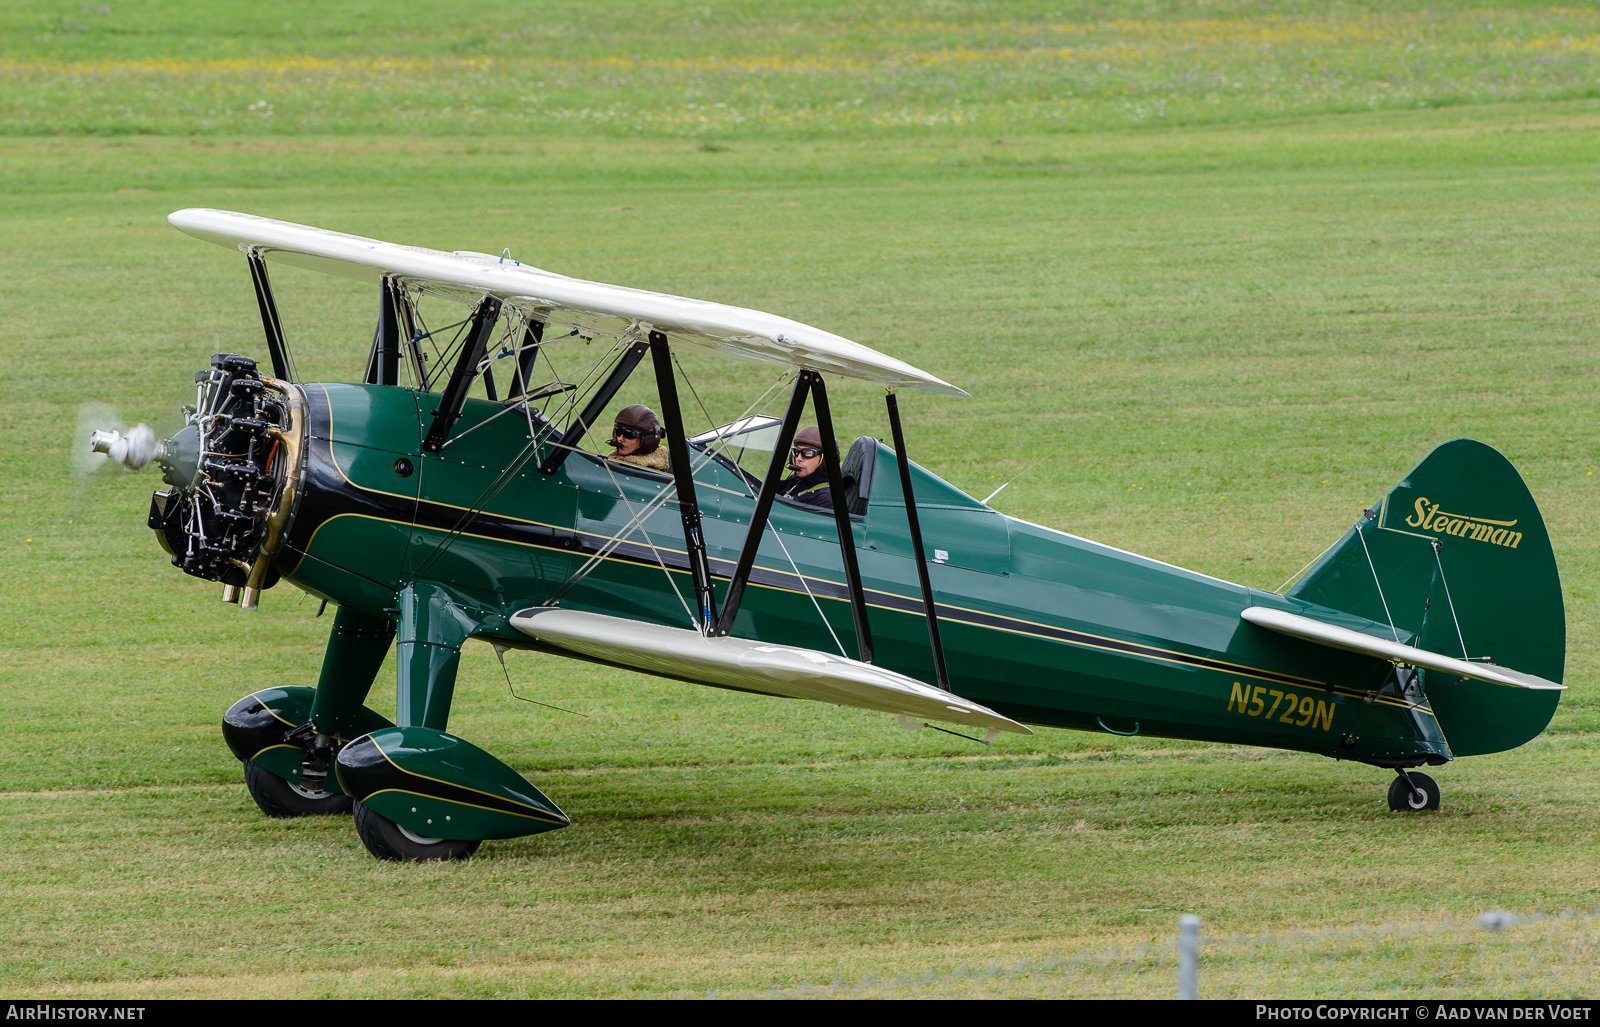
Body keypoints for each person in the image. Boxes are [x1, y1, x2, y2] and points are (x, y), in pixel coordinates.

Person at [776, 425, 833, 509]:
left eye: (807, 453)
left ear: (824, 460)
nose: (799, 458)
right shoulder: (797, 480)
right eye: (796, 452)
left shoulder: (825, 499)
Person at [606, 404, 671, 472]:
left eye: (629, 434)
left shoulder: (647, 473)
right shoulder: (613, 460)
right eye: (618, 431)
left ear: (648, 439)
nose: (620, 438)